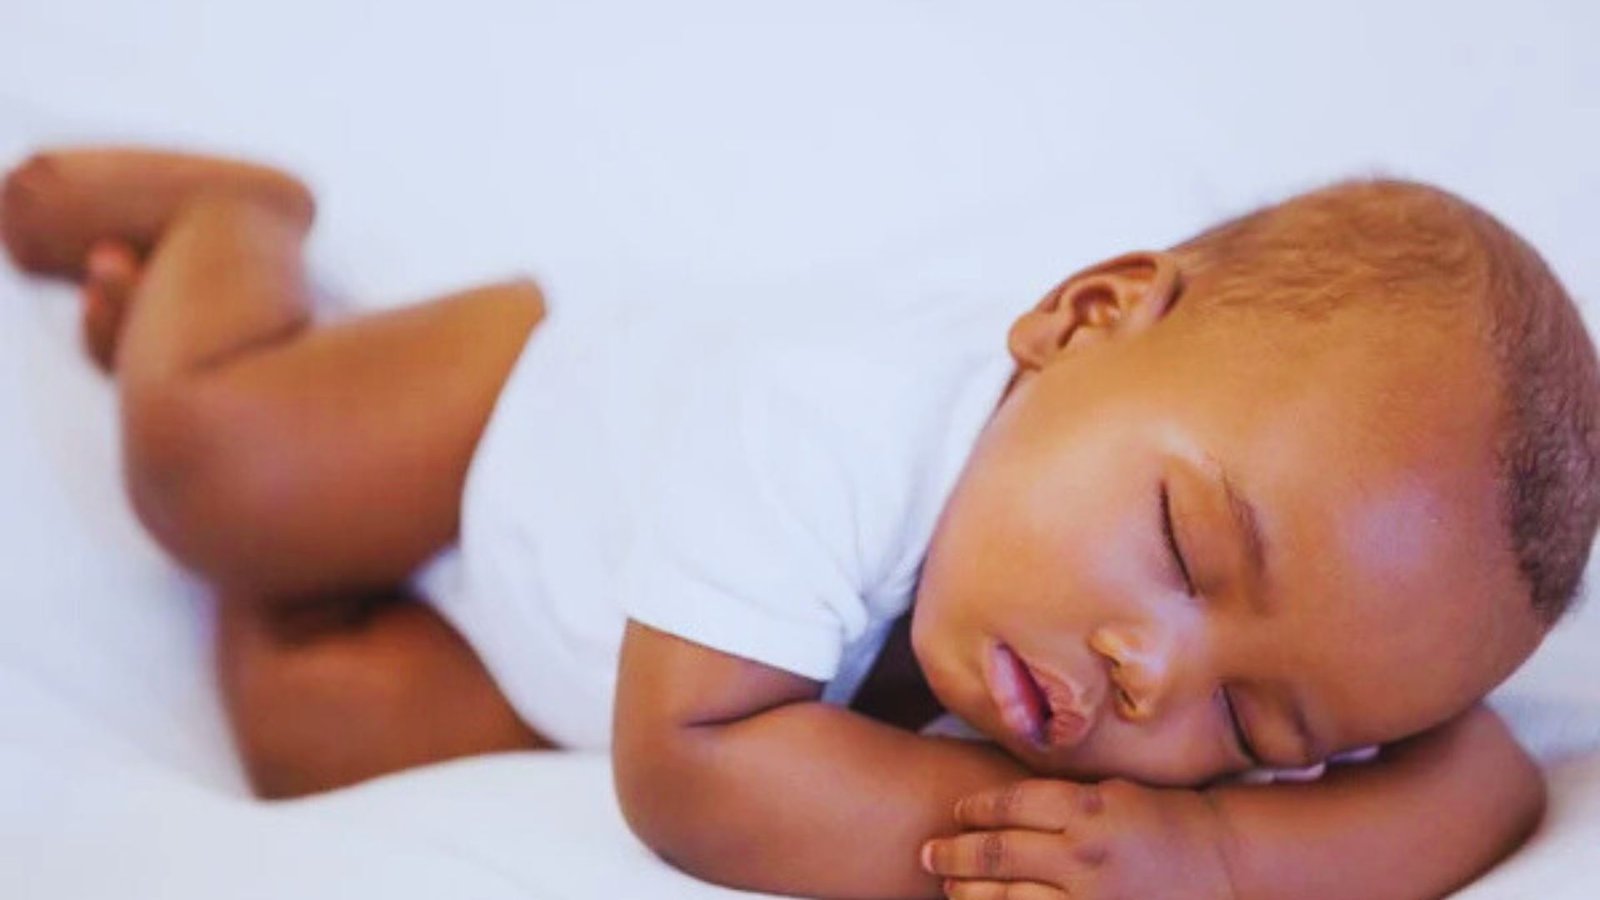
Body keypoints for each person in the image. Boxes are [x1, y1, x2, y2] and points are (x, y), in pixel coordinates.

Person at [4, 147, 1596, 900]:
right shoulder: (828, 416)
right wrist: (1019, 852)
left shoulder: (1310, 616)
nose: (1153, 677)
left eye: (1255, 719)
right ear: (1082, 318)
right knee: (209, 480)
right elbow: (690, 767)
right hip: (516, 431)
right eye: (1181, 550)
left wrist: (1214, 855)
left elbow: (1486, 776)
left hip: (570, 646)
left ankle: (181, 366)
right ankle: (234, 234)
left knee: (300, 728)